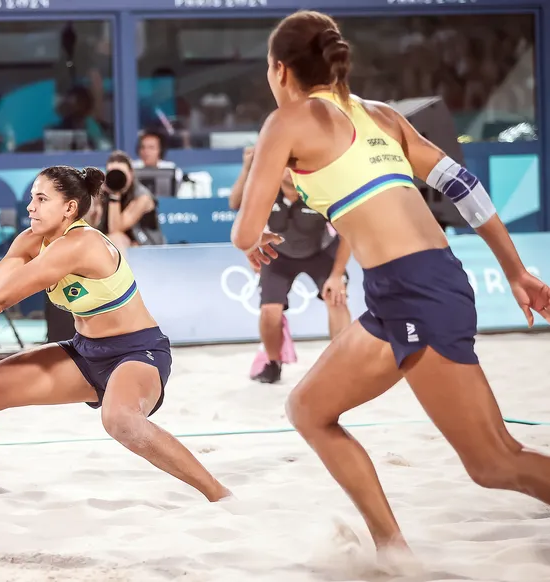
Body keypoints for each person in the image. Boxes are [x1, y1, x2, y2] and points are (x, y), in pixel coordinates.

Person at [231, 9, 550, 561]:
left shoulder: (286, 120)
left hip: (416, 293)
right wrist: (515, 269)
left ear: (280, 70)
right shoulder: (383, 116)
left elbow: (242, 228)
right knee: (308, 409)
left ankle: (393, 546)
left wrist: (251, 236)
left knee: (494, 461)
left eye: (268, 68)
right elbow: (465, 188)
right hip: (409, 287)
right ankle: (392, 550)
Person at [0, 165, 230, 503]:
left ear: (69, 207)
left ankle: (218, 493)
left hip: (137, 352)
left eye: (41, 199)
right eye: (31, 198)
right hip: (85, 353)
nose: (30, 207)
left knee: (119, 420)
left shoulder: (80, 243)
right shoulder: (31, 241)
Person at [229, 144, 351, 383]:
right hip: (279, 256)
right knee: (269, 311)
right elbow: (236, 205)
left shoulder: (320, 191)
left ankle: (344, 363)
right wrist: (247, 168)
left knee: (336, 299)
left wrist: (337, 275)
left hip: (321, 252)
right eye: (284, 164)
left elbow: (348, 233)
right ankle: (273, 364)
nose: (288, 170)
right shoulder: (266, 189)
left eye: (294, 164)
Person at [98, 150, 166, 251]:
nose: (116, 178)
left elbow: (115, 229)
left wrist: (114, 195)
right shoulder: (103, 191)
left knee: (116, 238)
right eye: (112, 173)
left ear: (131, 173)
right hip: (118, 245)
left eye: (121, 173)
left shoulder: (142, 197)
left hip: (148, 247)